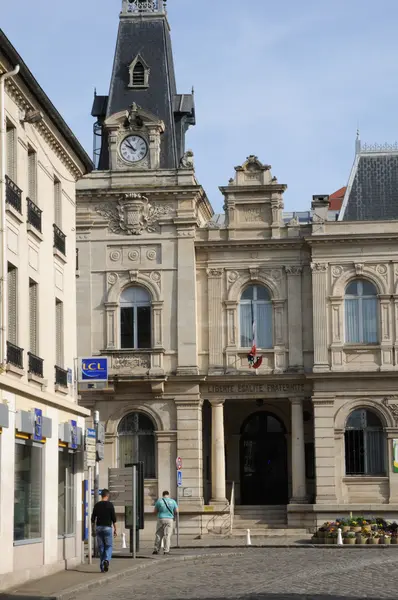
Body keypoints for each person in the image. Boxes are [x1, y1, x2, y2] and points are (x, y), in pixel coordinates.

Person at [91, 489, 117, 572]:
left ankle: (102, 567)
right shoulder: (110, 505)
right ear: (108, 495)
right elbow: (114, 519)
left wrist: (93, 530)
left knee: (101, 547)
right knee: (108, 546)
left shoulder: (97, 505)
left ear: (101, 495)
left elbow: (93, 519)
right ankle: (106, 560)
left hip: (99, 528)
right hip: (107, 528)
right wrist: (115, 529)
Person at [153, 490, 178, 555]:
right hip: (169, 519)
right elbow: (176, 511)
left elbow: (155, 511)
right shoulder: (173, 501)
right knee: (167, 535)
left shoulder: (159, 501)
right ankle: (166, 550)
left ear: (163, 495)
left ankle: (156, 550)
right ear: (168, 495)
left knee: (158, 535)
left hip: (161, 519)